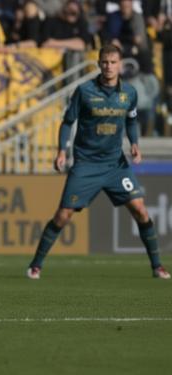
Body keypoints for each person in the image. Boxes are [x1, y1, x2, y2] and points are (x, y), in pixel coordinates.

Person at [27, 44, 170, 280]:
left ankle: (157, 267)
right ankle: (36, 265)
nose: (109, 66)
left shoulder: (129, 93)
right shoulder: (85, 91)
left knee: (140, 210)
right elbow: (67, 122)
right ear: (99, 64)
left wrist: (134, 143)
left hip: (115, 164)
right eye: (105, 62)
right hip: (86, 163)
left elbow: (131, 121)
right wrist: (62, 151)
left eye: (113, 62)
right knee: (63, 215)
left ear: (120, 65)